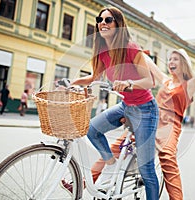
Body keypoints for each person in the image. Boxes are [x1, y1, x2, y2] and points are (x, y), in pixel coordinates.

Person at [87, 38, 195, 200]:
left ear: (184, 64)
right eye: (169, 59)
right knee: (117, 148)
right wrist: (132, 49)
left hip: (170, 126)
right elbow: (149, 63)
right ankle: (83, 182)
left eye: (175, 59)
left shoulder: (191, 85)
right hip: (149, 118)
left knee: (167, 158)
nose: (171, 62)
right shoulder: (165, 81)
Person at [62, 6, 160, 199]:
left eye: (108, 20)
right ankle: (111, 162)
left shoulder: (130, 48)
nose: (102, 23)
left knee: (146, 168)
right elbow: (94, 77)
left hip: (145, 110)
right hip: (125, 106)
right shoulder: (102, 51)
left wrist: (129, 83)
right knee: (91, 129)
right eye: (100, 20)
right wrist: (71, 83)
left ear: (118, 24)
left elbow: (150, 81)